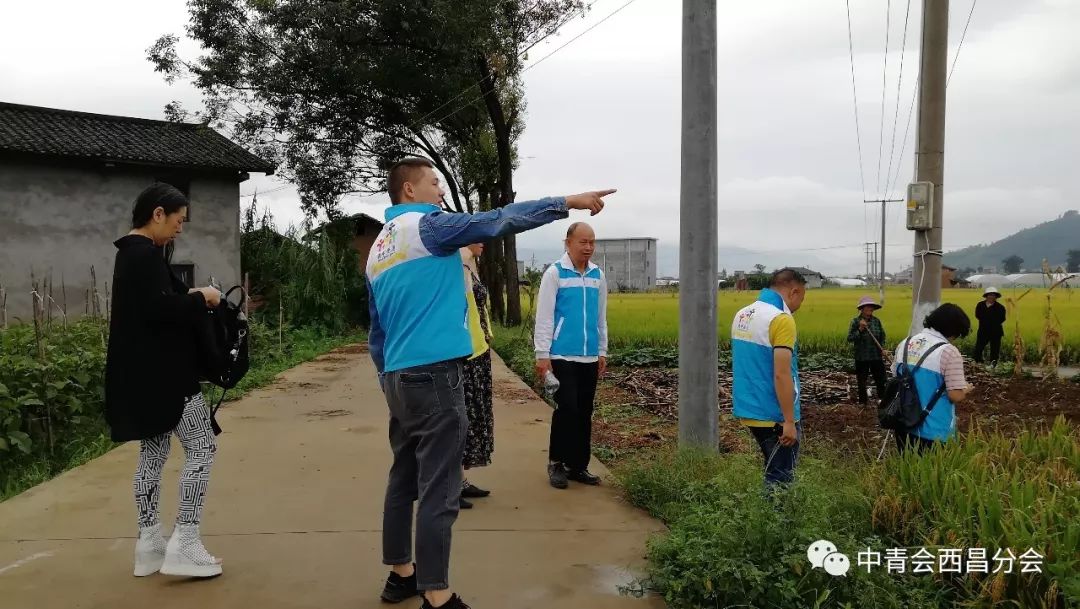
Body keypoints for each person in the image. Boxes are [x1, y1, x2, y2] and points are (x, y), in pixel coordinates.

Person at [367, 157, 614, 609]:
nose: (440, 192)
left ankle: (400, 574)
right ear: (408, 190)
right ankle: (438, 595)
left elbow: (376, 333)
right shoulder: (427, 227)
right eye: (434, 183)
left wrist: (388, 381)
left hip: (399, 378)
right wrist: (566, 202)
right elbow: (498, 220)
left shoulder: (380, 248)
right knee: (441, 487)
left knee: (403, 478)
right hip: (436, 374)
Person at [104, 182, 224, 578]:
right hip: (168, 378)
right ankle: (185, 541)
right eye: (177, 220)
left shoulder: (131, 255)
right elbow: (160, 312)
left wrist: (187, 294)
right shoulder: (143, 256)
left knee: (153, 452)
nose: (180, 229)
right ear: (158, 214)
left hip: (140, 377)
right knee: (202, 448)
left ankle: (150, 543)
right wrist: (202, 296)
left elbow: (150, 308)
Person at [534, 222, 609, 490]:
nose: (588, 247)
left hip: (589, 356)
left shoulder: (597, 275)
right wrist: (542, 355)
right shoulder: (555, 274)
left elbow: (601, 317)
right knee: (568, 409)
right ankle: (556, 463)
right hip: (562, 355)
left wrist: (602, 350)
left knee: (584, 411)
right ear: (568, 243)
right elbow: (544, 318)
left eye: (592, 242)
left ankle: (578, 465)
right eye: (582, 242)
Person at [731, 269, 807, 490]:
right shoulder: (780, 319)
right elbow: (781, 373)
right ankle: (775, 523)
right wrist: (789, 421)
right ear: (794, 291)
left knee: (772, 467)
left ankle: (768, 518)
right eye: (802, 297)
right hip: (773, 414)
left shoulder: (744, 314)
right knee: (780, 477)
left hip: (749, 407)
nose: (800, 304)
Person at [893, 303, 974, 453]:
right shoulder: (949, 352)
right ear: (953, 330)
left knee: (906, 473)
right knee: (933, 475)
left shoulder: (905, 343)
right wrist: (966, 389)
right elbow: (955, 395)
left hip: (903, 424)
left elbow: (896, 377)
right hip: (934, 430)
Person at [459, 243, 494, 509]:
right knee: (461, 421)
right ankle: (450, 486)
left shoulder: (471, 261)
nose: (483, 241)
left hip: (479, 350)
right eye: (478, 235)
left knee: (472, 419)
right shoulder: (458, 260)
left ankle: (459, 481)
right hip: (464, 354)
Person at [847, 296, 889, 406]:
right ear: (862, 309)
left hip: (876, 355)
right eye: (868, 307)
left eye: (872, 307)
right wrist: (860, 329)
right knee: (862, 381)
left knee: (881, 379)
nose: (870, 309)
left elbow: (882, 336)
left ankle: (882, 400)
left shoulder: (876, 321)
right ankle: (863, 402)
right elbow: (850, 338)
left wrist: (883, 348)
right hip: (862, 357)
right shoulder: (856, 321)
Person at [973, 287, 1006, 365]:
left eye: (993, 295)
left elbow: (1002, 318)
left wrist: (990, 321)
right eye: (990, 295)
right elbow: (977, 315)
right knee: (979, 348)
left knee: (995, 349)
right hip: (983, 330)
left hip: (996, 331)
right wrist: (987, 321)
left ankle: (993, 364)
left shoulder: (1000, 307)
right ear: (986, 296)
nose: (991, 297)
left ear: (996, 297)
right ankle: (977, 363)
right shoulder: (980, 305)